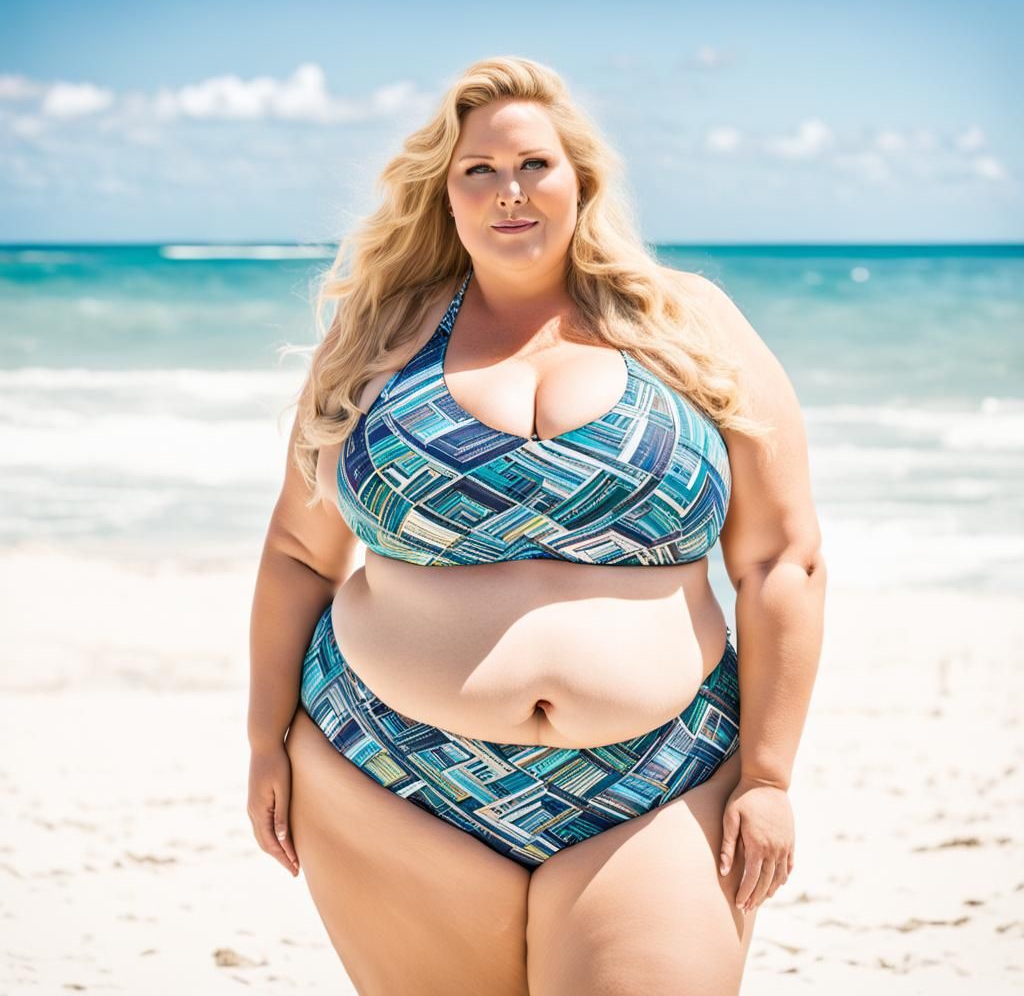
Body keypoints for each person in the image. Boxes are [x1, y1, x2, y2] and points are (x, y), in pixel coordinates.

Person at [247, 55, 826, 995]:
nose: (510, 191)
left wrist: (767, 778)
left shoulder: (688, 327)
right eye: (480, 170)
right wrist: (262, 739)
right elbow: (299, 553)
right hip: (388, 774)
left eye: (535, 165)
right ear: (445, 193)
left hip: (662, 777)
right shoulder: (378, 338)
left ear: (580, 181)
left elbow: (781, 561)